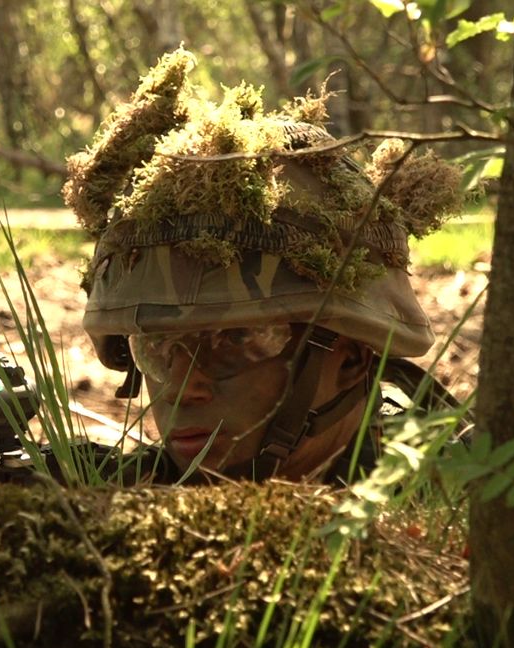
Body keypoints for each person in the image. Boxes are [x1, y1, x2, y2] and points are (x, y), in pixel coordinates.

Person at [63, 50, 465, 484]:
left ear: (350, 360)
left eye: (234, 341)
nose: (182, 388)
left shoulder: (444, 499)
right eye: (157, 349)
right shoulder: (133, 493)